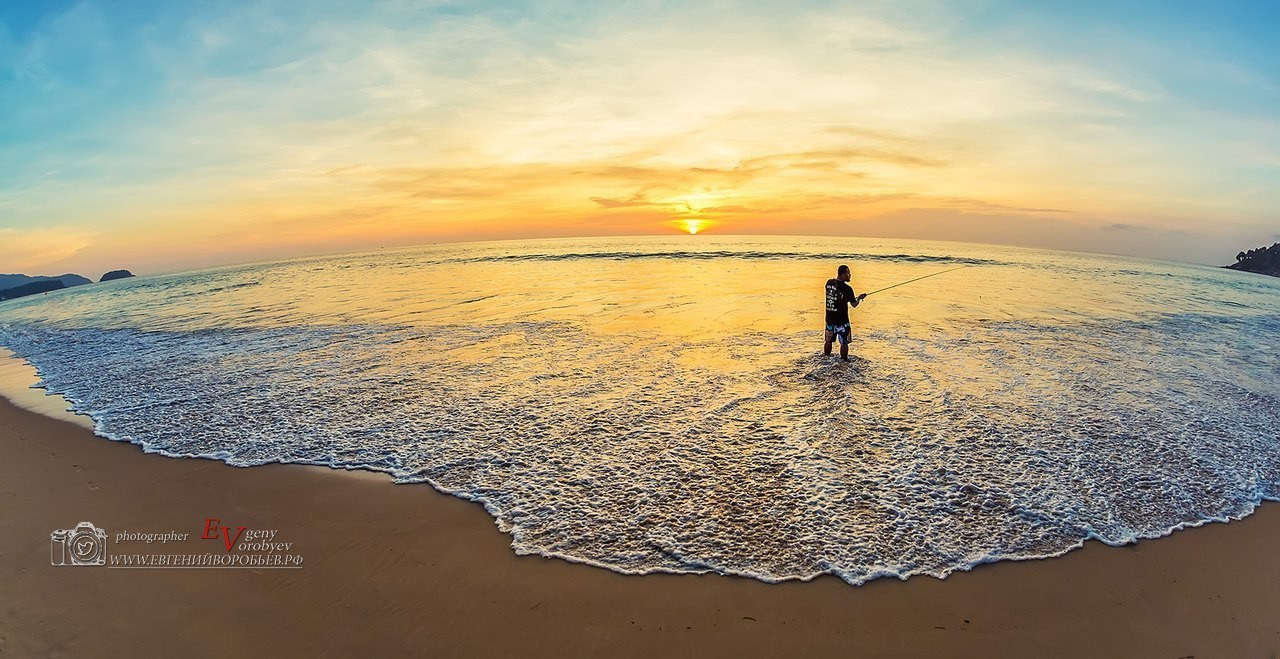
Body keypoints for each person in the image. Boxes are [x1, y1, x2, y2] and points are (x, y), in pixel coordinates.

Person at [824, 264, 866, 362]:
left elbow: (836, 296)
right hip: (842, 320)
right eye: (848, 273)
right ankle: (844, 361)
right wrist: (859, 298)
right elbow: (854, 304)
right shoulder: (848, 289)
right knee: (844, 342)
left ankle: (825, 359)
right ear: (843, 274)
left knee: (828, 340)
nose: (850, 275)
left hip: (830, 318)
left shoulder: (829, 283)